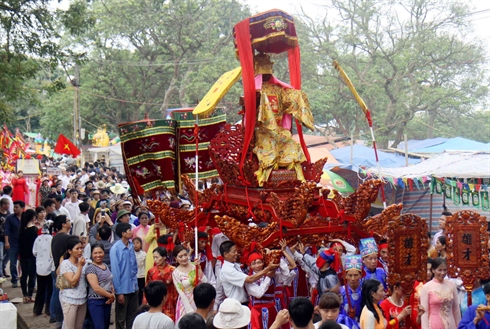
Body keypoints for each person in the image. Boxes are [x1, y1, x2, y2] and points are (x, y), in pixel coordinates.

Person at [251, 53, 314, 186]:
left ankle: (298, 176)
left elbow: (290, 100)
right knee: (271, 144)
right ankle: (265, 176)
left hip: (278, 129)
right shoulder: (254, 91)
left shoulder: (278, 89)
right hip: (262, 130)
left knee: (290, 141)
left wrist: (297, 96)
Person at [244, 242, 296, 329]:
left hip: (272, 310)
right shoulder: (249, 279)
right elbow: (259, 293)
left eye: (259, 262)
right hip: (257, 313)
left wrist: (276, 258)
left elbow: (286, 275)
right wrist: (268, 277)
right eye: (253, 263)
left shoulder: (272, 274)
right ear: (250, 266)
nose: (257, 266)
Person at [110, 222, 139, 329]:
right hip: (123, 289)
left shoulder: (131, 245)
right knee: (121, 318)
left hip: (133, 287)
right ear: (123, 233)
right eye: (129, 231)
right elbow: (115, 272)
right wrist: (119, 292)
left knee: (132, 316)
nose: (131, 232)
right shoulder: (115, 249)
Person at [420, 257, 460, 329]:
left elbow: (456, 308)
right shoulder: (426, 288)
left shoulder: (452, 285)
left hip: (451, 324)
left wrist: (460, 326)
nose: (443, 273)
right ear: (433, 270)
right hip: (434, 325)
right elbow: (424, 313)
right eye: (440, 270)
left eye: (445, 270)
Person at [173, 244, 208, 321]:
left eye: (185, 255)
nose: (184, 258)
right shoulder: (176, 273)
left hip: (199, 298)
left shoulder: (194, 266)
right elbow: (181, 293)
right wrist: (189, 310)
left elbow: (205, 282)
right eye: (180, 256)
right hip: (185, 301)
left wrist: (199, 269)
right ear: (176, 259)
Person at [59, 236, 88, 329]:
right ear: (70, 251)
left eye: (81, 248)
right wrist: (80, 267)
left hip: (82, 299)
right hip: (70, 300)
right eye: (77, 249)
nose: (80, 251)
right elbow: (73, 282)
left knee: (79, 326)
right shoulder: (65, 264)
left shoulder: (84, 262)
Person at [86, 242, 115, 329]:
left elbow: (109, 281)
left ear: (104, 252)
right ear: (91, 254)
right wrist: (110, 296)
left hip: (107, 301)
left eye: (100, 252)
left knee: (105, 326)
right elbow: (96, 288)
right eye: (95, 253)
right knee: (99, 326)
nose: (98, 255)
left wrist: (111, 294)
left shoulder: (105, 265)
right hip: (96, 301)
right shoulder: (90, 268)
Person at [50, 215, 72, 328]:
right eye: (68, 221)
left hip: (56, 269)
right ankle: (60, 320)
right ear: (63, 224)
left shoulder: (55, 237)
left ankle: (55, 316)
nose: (70, 222)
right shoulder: (67, 238)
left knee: (56, 294)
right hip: (65, 272)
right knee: (63, 296)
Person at [146, 246, 178, 321]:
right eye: (154, 257)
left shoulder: (173, 270)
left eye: (157, 257)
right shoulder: (151, 271)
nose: (155, 260)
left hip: (169, 300)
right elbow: (147, 287)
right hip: (155, 301)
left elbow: (176, 288)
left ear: (164, 257)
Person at [32, 219, 54, 316]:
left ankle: (37, 310)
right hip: (49, 267)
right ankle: (48, 310)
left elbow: (34, 252)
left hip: (39, 267)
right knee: (49, 290)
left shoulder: (38, 239)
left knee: (40, 289)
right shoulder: (52, 239)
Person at [18, 209, 38, 303]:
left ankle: (24, 295)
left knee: (24, 275)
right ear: (33, 217)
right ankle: (29, 295)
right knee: (32, 276)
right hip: (32, 255)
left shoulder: (22, 229)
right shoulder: (34, 230)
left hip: (23, 255)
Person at [4, 200, 25, 287]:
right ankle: (14, 279)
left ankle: (23, 279)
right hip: (13, 243)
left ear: (22, 208)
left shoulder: (26, 217)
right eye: (14, 207)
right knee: (13, 263)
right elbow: (7, 230)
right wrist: (6, 242)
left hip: (24, 243)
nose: (15, 209)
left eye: (17, 207)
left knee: (24, 262)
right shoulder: (10, 218)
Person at [339, 255, 363, 323]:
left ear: (360, 275)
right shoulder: (341, 291)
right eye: (350, 275)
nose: (353, 279)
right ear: (345, 276)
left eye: (356, 275)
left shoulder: (364, 290)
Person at [133, 237, 147, 305]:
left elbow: (145, 265)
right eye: (134, 243)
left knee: (141, 292)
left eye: (137, 243)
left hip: (142, 276)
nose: (135, 245)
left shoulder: (144, 254)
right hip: (134, 276)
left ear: (141, 244)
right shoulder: (131, 254)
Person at [0, 197, 10, 278]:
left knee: (8, 254)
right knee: (0, 256)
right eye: (7, 204)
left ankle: (2, 268)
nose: (9, 206)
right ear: (3, 205)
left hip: (7, 237)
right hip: (0, 237)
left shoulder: (8, 213)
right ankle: (0, 273)